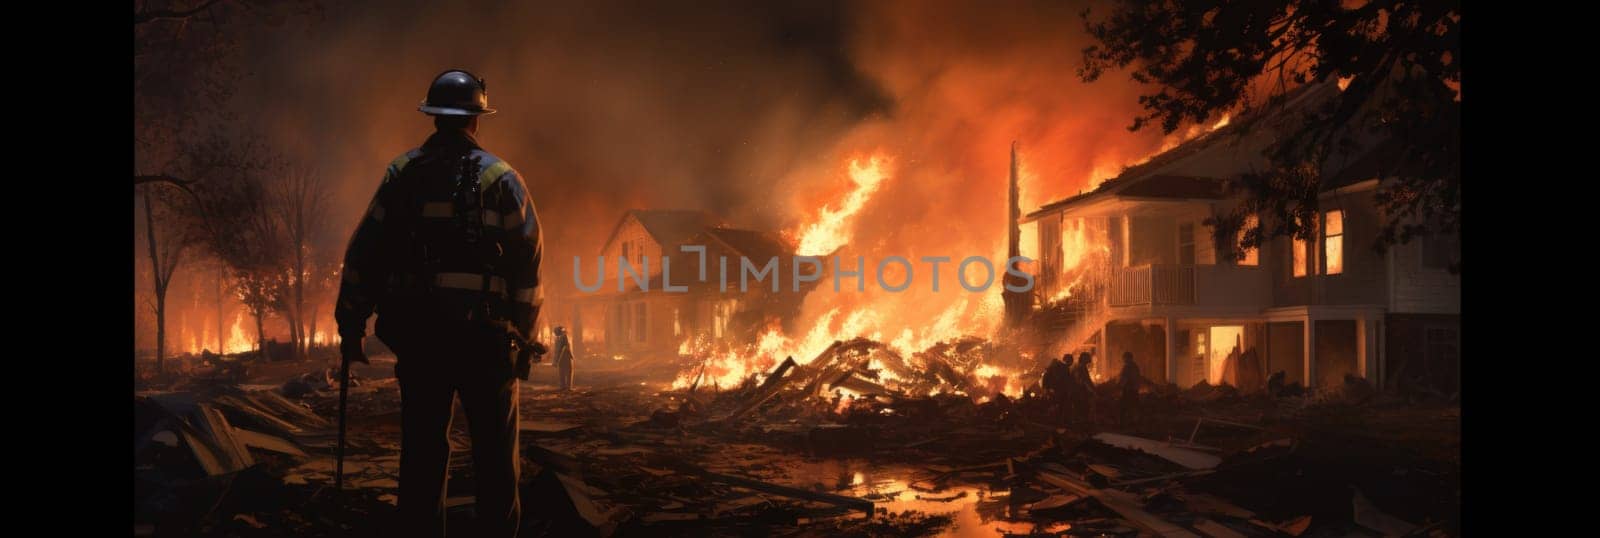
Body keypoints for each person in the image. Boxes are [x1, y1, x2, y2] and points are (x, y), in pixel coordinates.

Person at [335, 69, 543, 538]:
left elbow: (364, 252)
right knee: (495, 458)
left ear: (433, 117)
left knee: (423, 455)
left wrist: (351, 325)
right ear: (476, 119)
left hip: (422, 341)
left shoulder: (403, 174)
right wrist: (524, 338)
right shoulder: (504, 179)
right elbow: (528, 265)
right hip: (488, 343)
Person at [1117, 351, 1143, 426]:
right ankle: (1135, 423)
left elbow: (1124, 379)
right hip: (1135, 390)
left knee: (1123, 407)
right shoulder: (1135, 366)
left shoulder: (1127, 367)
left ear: (1127, 358)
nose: (1123, 360)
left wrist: (1118, 387)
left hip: (1128, 391)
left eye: (1124, 358)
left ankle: (1123, 424)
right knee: (1134, 407)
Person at [553, 326, 575, 391]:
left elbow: (557, 350)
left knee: (562, 372)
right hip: (566, 357)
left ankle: (563, 386)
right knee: (568, 372)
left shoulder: (557, 339)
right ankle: (568, 387)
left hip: (561, 358)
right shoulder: (564, 337)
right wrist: (571, 356)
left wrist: (555, 360)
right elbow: (565, 347)